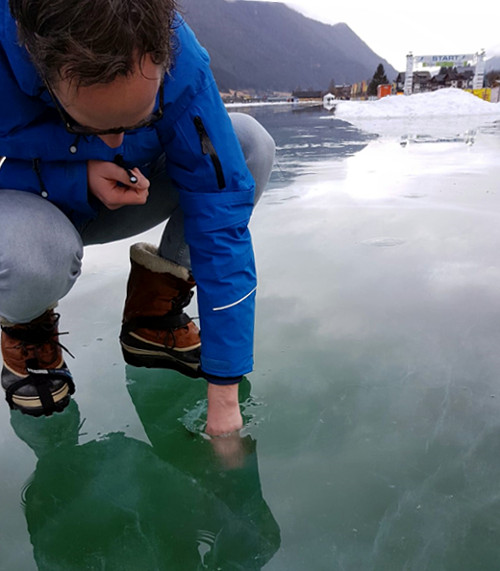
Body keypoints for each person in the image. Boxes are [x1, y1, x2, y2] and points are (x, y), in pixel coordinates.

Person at [0, 0, 275, 435]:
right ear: (41, 67)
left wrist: (224, 392)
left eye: (142, 118)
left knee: (245, 145)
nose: (116, 143)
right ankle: (25, 324)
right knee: (25, 257)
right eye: (90, 127)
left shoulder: (177, 50)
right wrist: (73, 174)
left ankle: (153, 315)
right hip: (26, 211)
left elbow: (220, 208)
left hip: (125, 198)